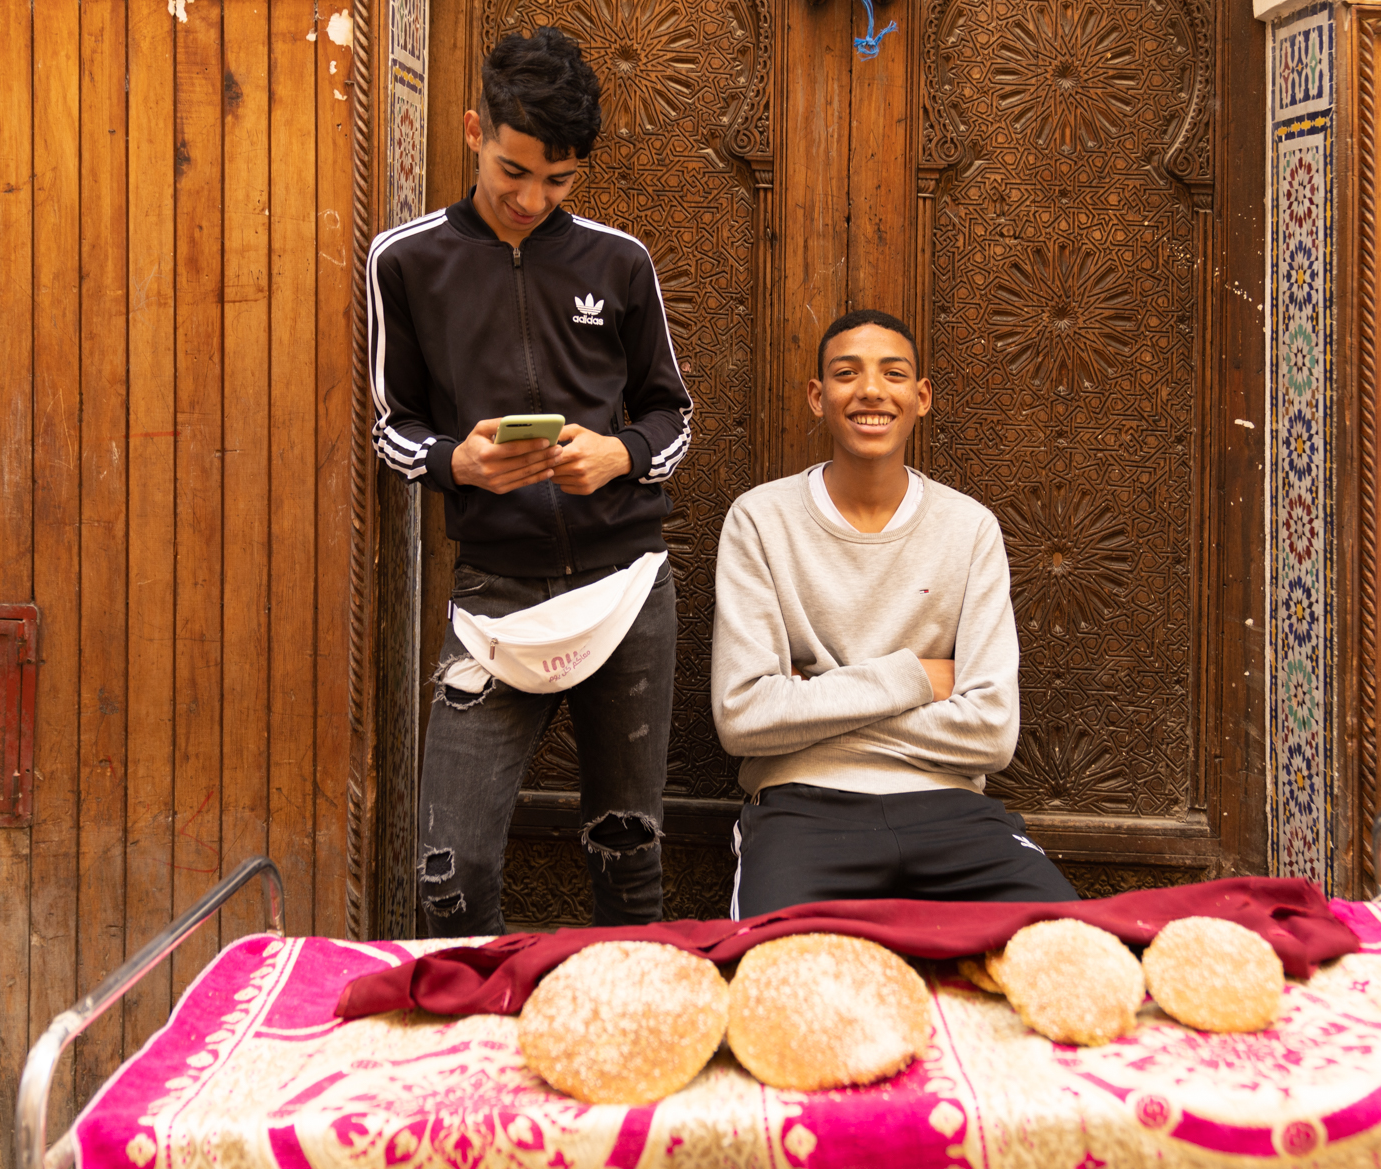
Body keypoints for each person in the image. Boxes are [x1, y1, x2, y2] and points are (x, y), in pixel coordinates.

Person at [368, 27, 692, 936]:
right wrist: (455, 461)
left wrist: (619, 455)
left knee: (628, 851)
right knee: (449, 873)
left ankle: (627, 1044)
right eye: (514, 171)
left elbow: (675, 417)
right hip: (493, 596)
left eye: (559, 182)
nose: (531, 199)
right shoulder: (406, 262)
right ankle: (469, 1054)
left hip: (626, 588)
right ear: (475, 130)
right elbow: (392, 429)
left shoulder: (617, 261)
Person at [710, 309, 1077, 918]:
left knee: (1077, 960)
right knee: (783, 983)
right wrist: (913, 680)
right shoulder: (760, 520)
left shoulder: (970, 528)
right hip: (803, 807)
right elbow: (745, 719)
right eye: (846, 373)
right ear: (817, 396)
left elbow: (991, 732)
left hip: (953, 809)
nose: (871, 391)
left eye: (894, 373)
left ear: (921, 396)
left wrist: (813, 699)